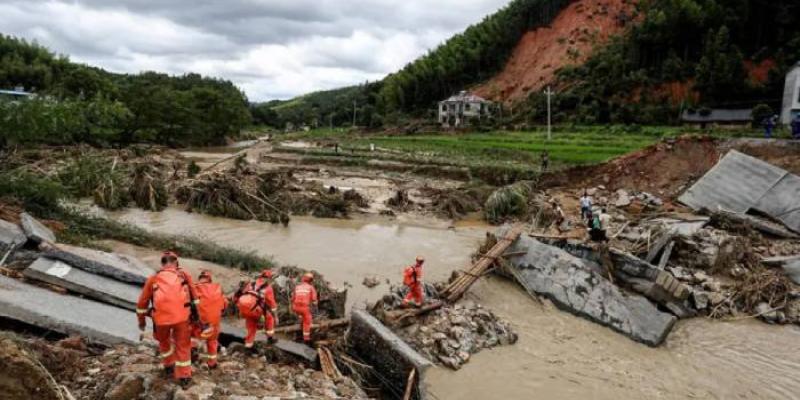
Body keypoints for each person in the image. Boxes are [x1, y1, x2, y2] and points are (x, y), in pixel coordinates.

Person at [136, 251, 198, 388]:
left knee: (163, 341)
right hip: (182, 318)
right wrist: (198, 318)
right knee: (183, 345)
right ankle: (184, 377)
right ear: (176, 263)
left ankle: (169, 365)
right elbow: (195, 297)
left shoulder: (154, 278)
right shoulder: (184, 276)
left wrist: (142, 322)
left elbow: (142, 304)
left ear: (162, 264)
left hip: (160, 320)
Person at [233, 270, 278, 349]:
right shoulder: (268, 288)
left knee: (251, 328)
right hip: (256, 311)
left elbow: (242, 293)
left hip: (245, 309)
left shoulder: (251, 284)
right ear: (269, 278)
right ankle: (270, 338)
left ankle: (248, 345)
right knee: (270, 318)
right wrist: (276, 316)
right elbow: (272, 304)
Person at [191, 270, 227, 369]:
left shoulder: (194, 287)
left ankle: (192, 352)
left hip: (200, 322)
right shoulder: (217, 288)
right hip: (214, 322)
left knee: (192, 336)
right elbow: (225, 305)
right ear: (209, 279)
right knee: (212, 341)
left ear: (200, 278)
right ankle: (212, 363)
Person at [292, 272, 318, 344]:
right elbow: (314, 301)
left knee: (301, 317)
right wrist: (315, 311)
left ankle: (297, 332)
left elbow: (293, 299)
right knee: (307, 321)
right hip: (304, 308)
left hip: (295, 308)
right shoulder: (311, 288)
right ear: (311, 280)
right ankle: (306, 339)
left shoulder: (297, 287)